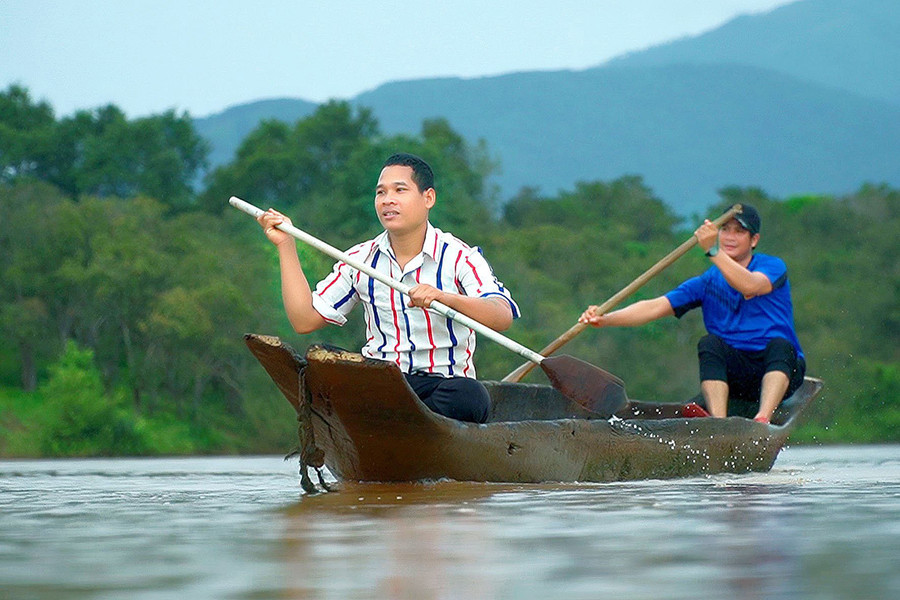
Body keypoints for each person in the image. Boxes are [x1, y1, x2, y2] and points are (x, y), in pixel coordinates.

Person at [256, 153, 519, 423]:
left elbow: (501, 315)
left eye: (399, 190)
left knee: (471, 397)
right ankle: (399, 421)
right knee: (324, 360)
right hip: (383, 383)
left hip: (443, 386)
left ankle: (400, 424)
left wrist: (445, 298)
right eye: (381, 192)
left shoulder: (460, 256)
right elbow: (304, 320)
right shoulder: (360, 259)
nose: (387, 200)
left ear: (428, 198)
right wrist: (285, 245)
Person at [578, 204, 805, 423]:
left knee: (780, 345)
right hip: (735, 375)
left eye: (739, 231)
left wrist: (713, 250)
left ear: (753, 240)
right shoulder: (706, 282)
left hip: (779, 370)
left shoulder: (772, 266)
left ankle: (763, 417)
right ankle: (719, 423)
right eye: (725, 230)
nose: (730, 237)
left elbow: (750, 286)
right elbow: (654, 307)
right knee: (710, 344)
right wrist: (605, 318)